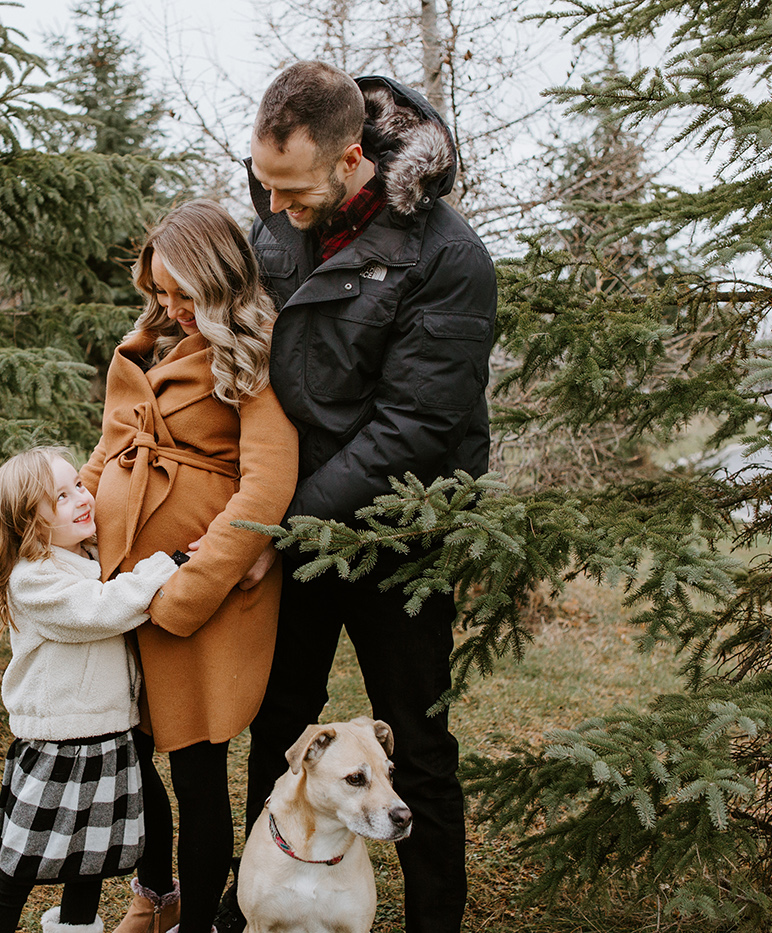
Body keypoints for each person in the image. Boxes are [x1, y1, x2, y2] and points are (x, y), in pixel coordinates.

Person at [225, 62, 497, 933]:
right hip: (294, 531)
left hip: (399, 543)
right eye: (264, 185)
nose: (274, 209)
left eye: (292, 190)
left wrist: (280, 522)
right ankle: (256, 905)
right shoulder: (277, 224)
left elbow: (412, 429)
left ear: (352, 160)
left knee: (415, 751)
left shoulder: (450, 259)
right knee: (279, 735)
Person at [78, 199, 299, 933]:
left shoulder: (252, 357)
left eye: (184, 293)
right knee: (135, 753)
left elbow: (266, 485)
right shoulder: (147, 346)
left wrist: (189, 591)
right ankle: (156, 891)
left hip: (194, 597)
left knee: (197, 771)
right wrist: (61, 526)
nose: (170, 307)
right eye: (159, 292)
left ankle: (201, 917)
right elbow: (107, 452)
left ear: (220, 282)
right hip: (120, 587)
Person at [0, 446, 182, 933]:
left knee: (91, 858)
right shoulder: (34, 580)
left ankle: (76, 928)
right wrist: (162, 568)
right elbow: (101, 609)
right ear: (30, 522)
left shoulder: (83, 555)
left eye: (79, 486)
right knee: (19, 865)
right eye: (60, 497)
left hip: (107, 733)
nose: (81, 499)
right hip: (59, 741)